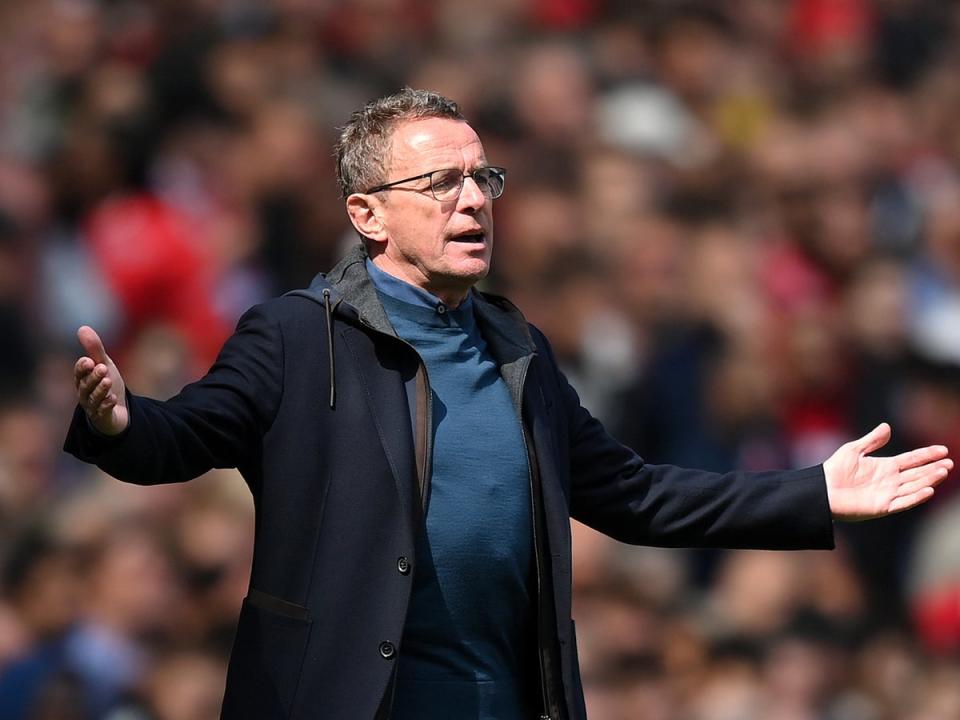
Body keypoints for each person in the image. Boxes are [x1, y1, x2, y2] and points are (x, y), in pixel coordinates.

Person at [64, 88, 953, 720]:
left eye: (483, 178)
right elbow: (188, 434)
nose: (473, 200)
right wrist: (120, 420)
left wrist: (811, 493)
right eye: (441, 184)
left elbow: (632, 496)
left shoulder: (518, 346)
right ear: (366, 216)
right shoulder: (298, 337)